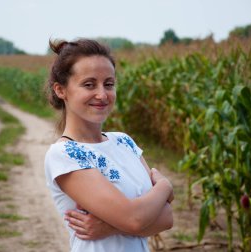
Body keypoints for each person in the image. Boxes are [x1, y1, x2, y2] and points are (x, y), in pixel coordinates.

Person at [44, 38, 174, 252]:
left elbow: (167, 218)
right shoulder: (64, 154)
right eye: (89, 84)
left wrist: (111, 227)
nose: (102, 94)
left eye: (109, 84)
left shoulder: (124, 141)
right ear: (61, 90)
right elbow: (135, 219)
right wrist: (165, 187)